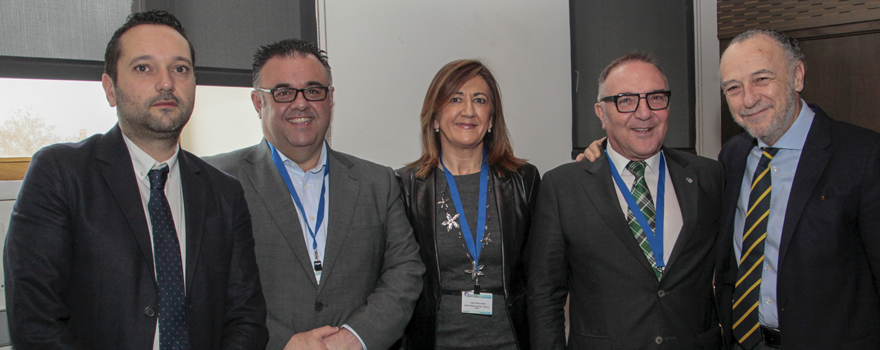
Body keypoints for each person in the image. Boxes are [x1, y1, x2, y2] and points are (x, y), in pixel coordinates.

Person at [3, 10, 268, 349]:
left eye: (180, 68)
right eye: (144, 67)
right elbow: (35, 322)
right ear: (110, 89)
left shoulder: (224, 192)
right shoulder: (61, 173)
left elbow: (246, 317)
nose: (166, 82)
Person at [204, 39, 424, 350]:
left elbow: (406, 269)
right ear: (257, 103)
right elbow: (209, 282)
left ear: (330, 98)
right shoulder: (218, 180)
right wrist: (284, 342)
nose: (301, 103)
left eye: (313, 90)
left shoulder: (378, 181)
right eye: (283, 93)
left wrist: (355, 338)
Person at [527, 53, 723, 349]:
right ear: (601, 113)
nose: (644, 113)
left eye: (656, 98)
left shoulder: (709, 176)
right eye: (626, 100)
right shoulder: (562, 187)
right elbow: (544, 297)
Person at [715, 29, 880, 349]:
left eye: (761, 79)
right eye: (733, 88)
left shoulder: (865, 156)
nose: (748, 99)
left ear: (798, 76)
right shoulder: (733, 156)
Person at [396, 59, 539, 350]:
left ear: (491, 118)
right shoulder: (406, 187)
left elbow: (542, 277)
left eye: (480, 100)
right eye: (455, 99)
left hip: (511, 342)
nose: (468, 111)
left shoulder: (523, 180)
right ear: (435, 117)